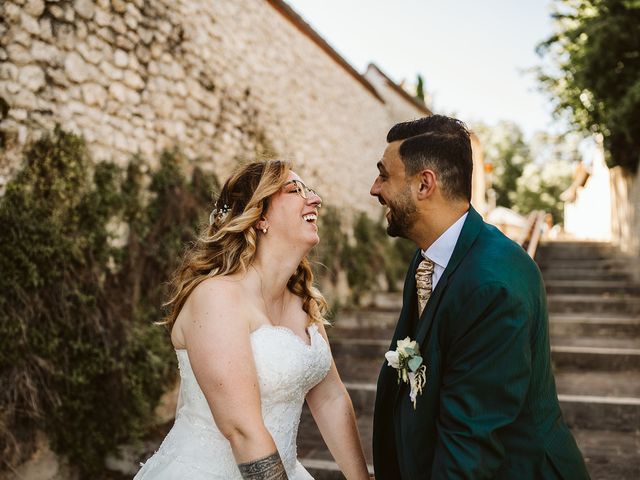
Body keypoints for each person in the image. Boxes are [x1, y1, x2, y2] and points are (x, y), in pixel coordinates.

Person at [369, 115, 590, 479]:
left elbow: (471, 443)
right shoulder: (429, 256)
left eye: (384, 175)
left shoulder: (492, 284)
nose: (375, 189)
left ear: (425, 184)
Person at [135, 160, 369, 479]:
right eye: (295, 190)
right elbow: (242, 430)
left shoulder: (303, 300)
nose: (315, 199)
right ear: (260, 217)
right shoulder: (217, 297)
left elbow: (330, 397)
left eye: (310, 190)